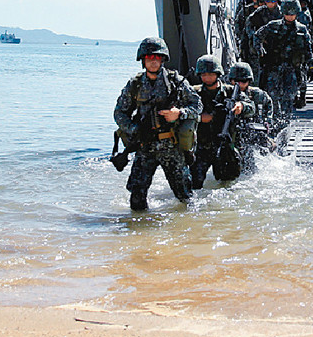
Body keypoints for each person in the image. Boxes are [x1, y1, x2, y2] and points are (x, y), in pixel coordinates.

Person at [113, 37, 202, 211]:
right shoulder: (135, 84)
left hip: (172, 146)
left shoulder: (175, 81)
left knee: (186, 198)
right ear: (143, 60)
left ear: (162, 59)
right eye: (149, 58)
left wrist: (179, 113)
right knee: (136, 198)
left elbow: (197, 105)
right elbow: (119, 113)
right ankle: (138, 232)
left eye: (157, 58)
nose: (153, 62)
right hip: (145, 147)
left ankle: (190, 233)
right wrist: (135, 129)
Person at [189, 54, 253, 188]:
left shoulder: (230, 91)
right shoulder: (194, 92)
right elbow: (182, 111)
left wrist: (241, 106)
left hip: (225, 145)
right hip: (202, 147)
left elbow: (252, 107)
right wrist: (200, 118)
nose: (207, 78)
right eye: (204, 74)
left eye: (211, 74)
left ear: (217, 73)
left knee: (227, 186)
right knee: (194, 185)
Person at [255, 0, 313, 128]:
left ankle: (285, 124)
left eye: (293, 14)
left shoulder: (301, 29)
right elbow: (257, 36)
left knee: (289, 96)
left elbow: (308, 48)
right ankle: (273, 122)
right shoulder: (273, 25)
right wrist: (260, 50)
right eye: (288, 14)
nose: (290, 17)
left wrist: (311, 66)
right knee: (272, 95)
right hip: (274, 67)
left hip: (292, 68)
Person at [226, 61, 279, 165]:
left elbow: (268, 104)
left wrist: (267, 122)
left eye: (243, 81)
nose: (240, 84)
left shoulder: (257, 94)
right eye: (236, 81)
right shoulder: (225, 92)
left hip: (253, 132)